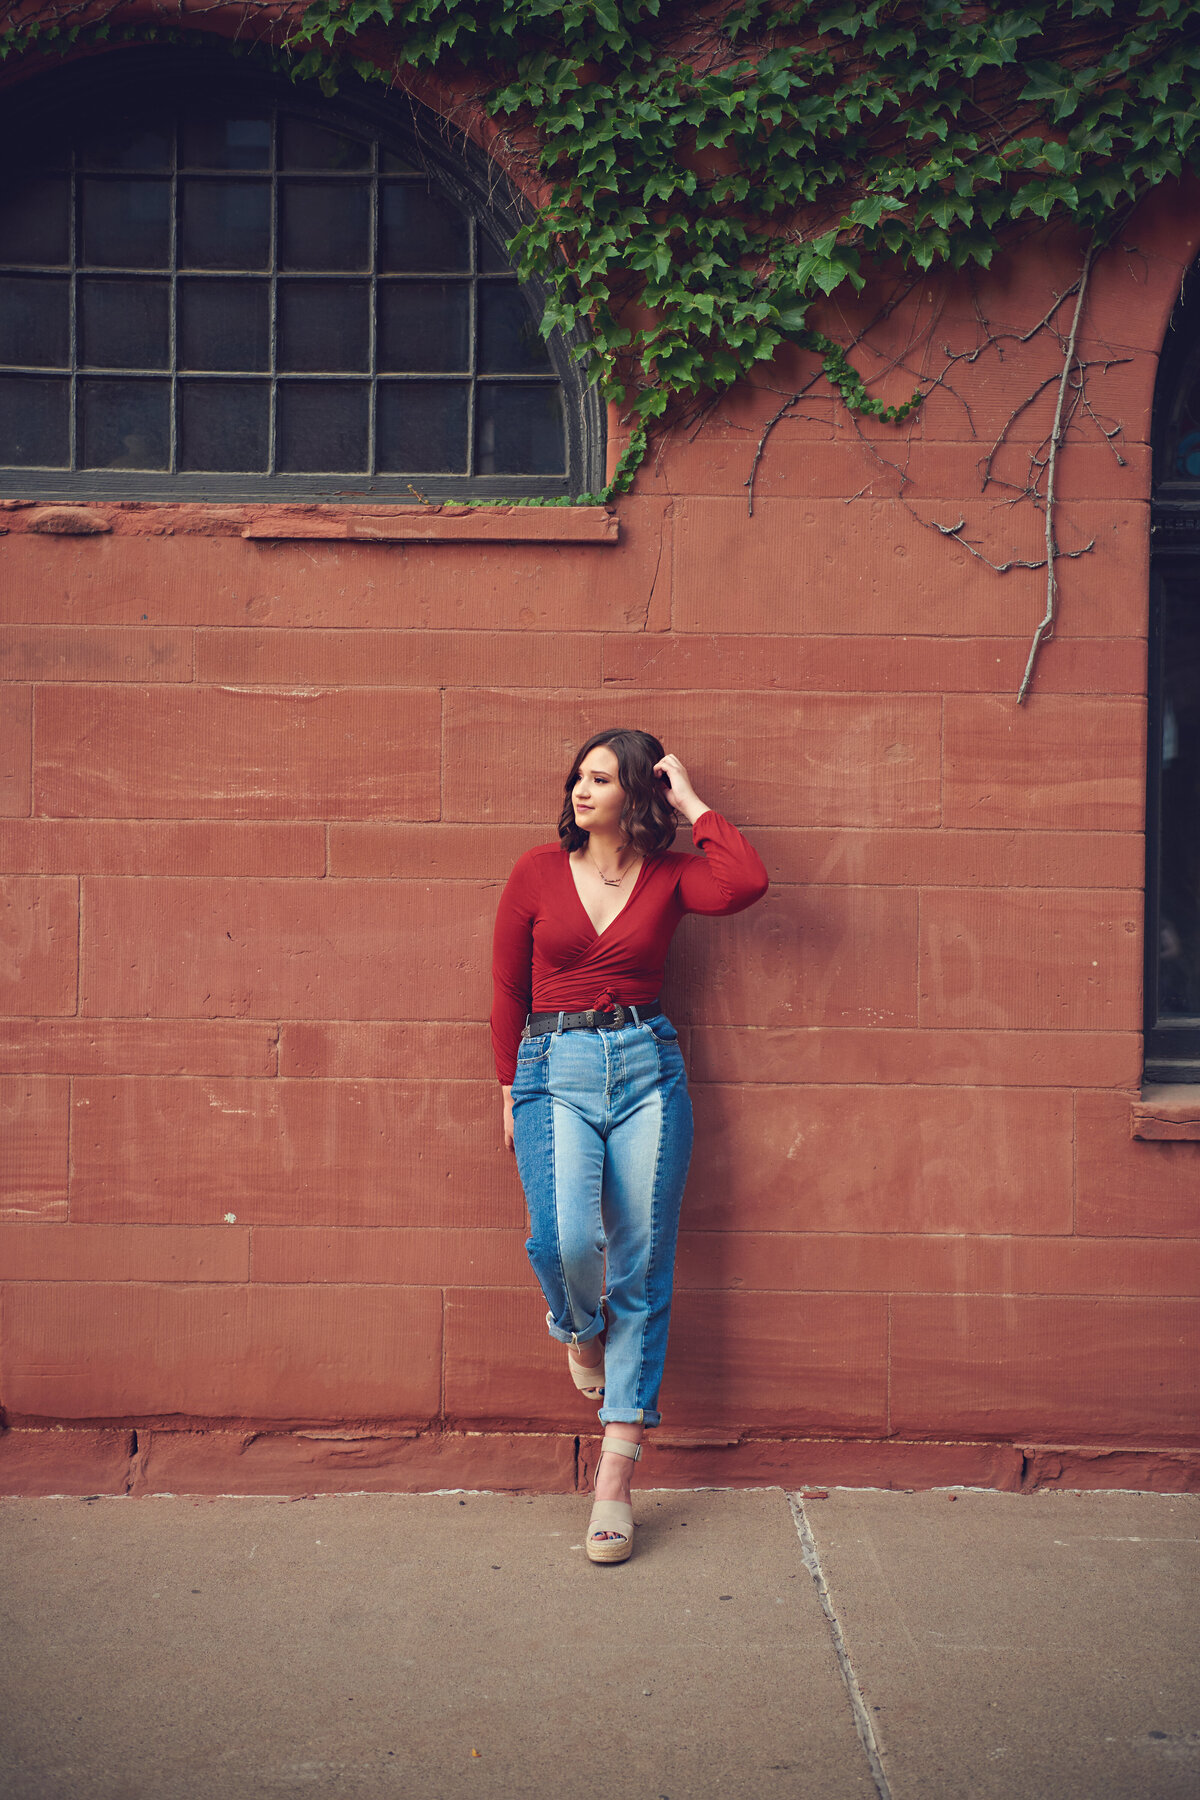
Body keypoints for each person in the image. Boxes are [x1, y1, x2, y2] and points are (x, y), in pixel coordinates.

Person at [490, 728, 769, 1565]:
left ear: (636, 793)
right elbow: (506, 985)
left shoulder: (675, 876)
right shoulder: (537, 871)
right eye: (578, 774)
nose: (582, 789)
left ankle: (614, 1478)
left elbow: (746, 881)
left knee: (642, 1268)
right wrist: (509, 1088)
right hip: (554, 1067)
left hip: (649, 1068)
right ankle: (577, 1330)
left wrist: (692, 803)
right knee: (564, 1238)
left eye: (603, 778)